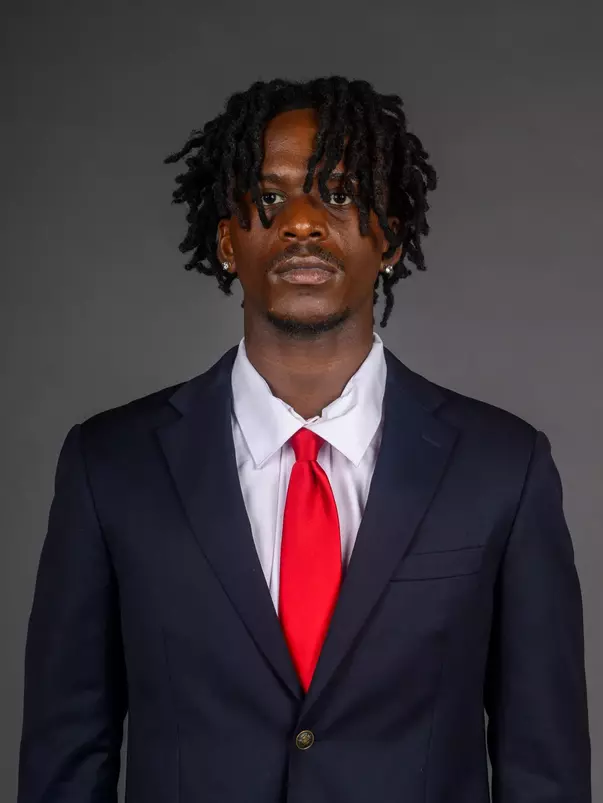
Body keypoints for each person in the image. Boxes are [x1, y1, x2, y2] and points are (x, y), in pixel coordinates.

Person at [17, 75, 591, 803]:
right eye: (269, 198)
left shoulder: (502, 467)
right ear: (228, 240)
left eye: (341, 192)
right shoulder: (111, 466)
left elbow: (544, 767)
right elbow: (66, 758)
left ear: (390, 237)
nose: (302, 222)